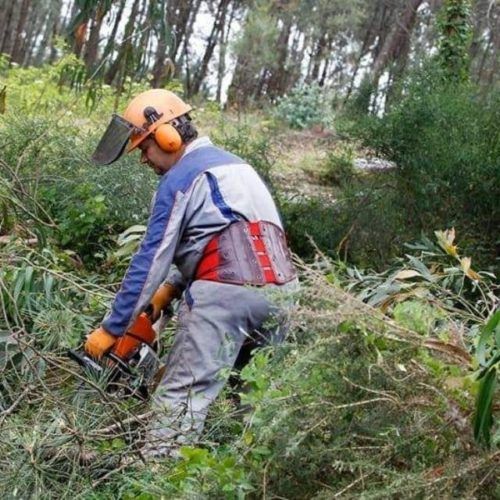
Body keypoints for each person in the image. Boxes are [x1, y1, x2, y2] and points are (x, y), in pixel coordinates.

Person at [85, 89, 298, 457]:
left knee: (182, 399)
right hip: (284, 295)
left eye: (145, 149)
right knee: (259, 404)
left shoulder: (180, 178)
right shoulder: (238, 166)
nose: (144, 161)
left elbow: (150, 260)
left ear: (167, 135)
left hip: (224, 295)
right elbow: (237, 235)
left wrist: (112, 328)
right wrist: (169, 291)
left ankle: (156, 485)